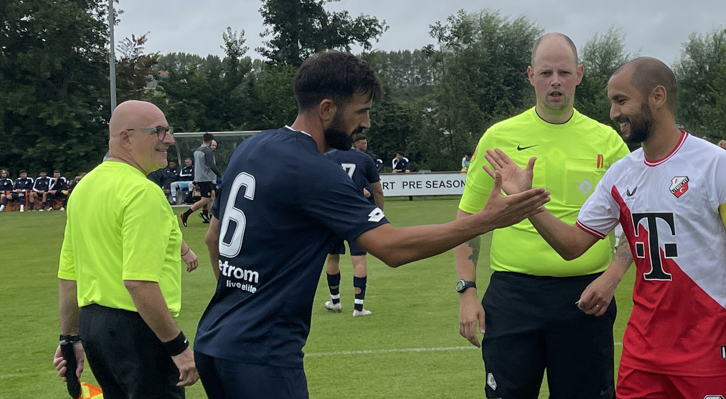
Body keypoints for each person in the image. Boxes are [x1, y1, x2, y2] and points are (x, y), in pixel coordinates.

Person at [193, 50, 550, 399]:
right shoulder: (314, 170)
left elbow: (213, 238)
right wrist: (486, 220)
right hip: (262, 355)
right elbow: (392, 248)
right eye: (361, 111)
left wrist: (239, 299)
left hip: (213, 339)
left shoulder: (251, 147)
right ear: (327, 109)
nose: (366, 123)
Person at [497, 56, 726, 398]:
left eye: (621, 100)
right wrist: (527, 202)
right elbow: (573, 244)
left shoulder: (716, 165)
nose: (613, 113)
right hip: (642, 357)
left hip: (708, 351)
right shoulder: (621, 174)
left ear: (657, 97)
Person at [452, 33, 632, 399]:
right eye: (546, 72)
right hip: (513, 296)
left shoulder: (607, 141)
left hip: (587, 297)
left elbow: (635, 220)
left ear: (579, 74)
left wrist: (613, 276)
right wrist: (467, 290)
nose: (555, 81)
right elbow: (467, 220)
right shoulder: (499, 137)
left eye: (564, 72)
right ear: (531, 75)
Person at [52, 100, 202, 398]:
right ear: (126, 137)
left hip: (95, 328)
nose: (169, 139)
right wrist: (179, 347)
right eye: (159, 131)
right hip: (138, 329)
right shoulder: (142, 192)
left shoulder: (84, 187)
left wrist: (70, 338)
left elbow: (69, 275)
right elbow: (139, 282)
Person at [322, 134, 385, 316]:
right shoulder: (364, 158)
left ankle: (335, 301)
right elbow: (377, 189)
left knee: (332, 257)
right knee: (359, 259)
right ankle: (358, 307)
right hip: (358, 215)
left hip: (333, 215)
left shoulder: (327, 157)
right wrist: (379, 211)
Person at [182, 134, 220, 227]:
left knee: (212, 198)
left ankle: (212, 219)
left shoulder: (197, 151)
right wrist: (220, 175)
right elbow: (211, 165)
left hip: (201, 178)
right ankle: (186, 214)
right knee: (205, 200)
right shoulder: (207, 151)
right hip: (206, 178)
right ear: (211, 141)